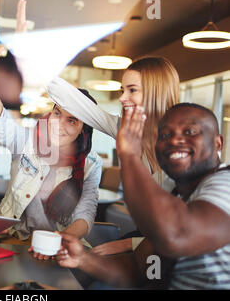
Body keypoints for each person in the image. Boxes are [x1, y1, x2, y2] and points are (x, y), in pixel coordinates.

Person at [0, 31, 103, 260]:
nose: (59, 124)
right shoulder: (28, 142)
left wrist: (54, 244)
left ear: (82, 130)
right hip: (13, 239)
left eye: (72, 120)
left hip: (59, 246)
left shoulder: (92, 164)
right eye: (58, 113)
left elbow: (85, 214)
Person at [57, 103, 230, 289]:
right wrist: (81, 258)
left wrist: (130, 155)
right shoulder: (178, 194)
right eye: (165, 135)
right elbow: (141, 268)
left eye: (190, 132)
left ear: (218, 143)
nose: (175, 140)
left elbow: (177, 235)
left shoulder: (225, 183)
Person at [47, 56, 180, 255]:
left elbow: (187, 230)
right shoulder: (124, 128)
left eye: (132, 90)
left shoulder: (183, 146)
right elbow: (74, 102)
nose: (122, 97)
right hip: (145, 239)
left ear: (156, 92)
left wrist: (128, 244)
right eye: (122, 90)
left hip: (171, 249)